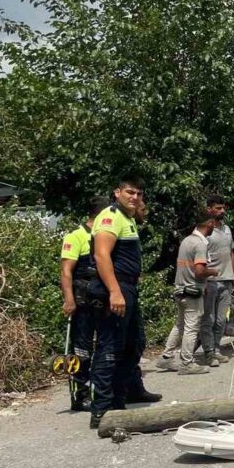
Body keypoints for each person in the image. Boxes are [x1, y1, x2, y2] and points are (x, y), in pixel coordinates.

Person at [88, 176, 161, 429]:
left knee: (134, 343)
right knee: (110, 349)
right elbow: (101, 255)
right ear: (117, 192)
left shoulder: (128, 219)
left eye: (139, 193)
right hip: (114, 289)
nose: (135, 197)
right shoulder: (109, 216)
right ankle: (101, 410)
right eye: (130, 192)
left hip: (127, 288)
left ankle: (121, 400)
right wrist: (115, 292)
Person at [154, 209, 216, 375]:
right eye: (213, 224)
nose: (214, 227)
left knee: (179, 325)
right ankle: (187, 363)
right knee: (191, 327)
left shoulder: (187, 240)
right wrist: (213, 272)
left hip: (180, 289)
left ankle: (166, 358)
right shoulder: (200, 244)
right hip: (192, 291)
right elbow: (199, 271)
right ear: (210, 223)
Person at [59, 197, 106, 412]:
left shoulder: (103, 237)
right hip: (82, 300)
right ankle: (79, 395)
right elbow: (66, 271)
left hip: (101, 299)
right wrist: (69, 299)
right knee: (81, 350)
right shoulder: (76, 236)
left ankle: (100, 390)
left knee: (104, 347)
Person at [199, 195, 234, 367]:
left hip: (227, 280)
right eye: (218, 208)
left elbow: (231, 253)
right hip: (210, 281)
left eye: (223, 208)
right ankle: (208, 353)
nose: (222, 211)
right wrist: (203, 281)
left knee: (221, 320)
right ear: (209, 209)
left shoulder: (227, 229)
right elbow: (198, 256)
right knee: (208, 318)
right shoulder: (204, 230)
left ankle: (216, 349)